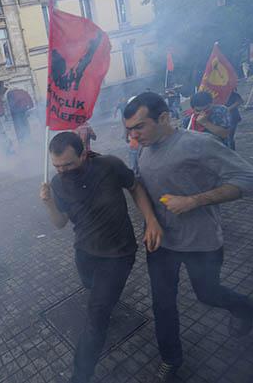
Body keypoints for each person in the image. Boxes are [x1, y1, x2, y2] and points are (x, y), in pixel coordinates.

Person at [123, 92, 253, 382]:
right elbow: (142, 186)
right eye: (129, 130)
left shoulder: (198, 144)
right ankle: (171, 359)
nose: (134, 136)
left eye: (139, 126)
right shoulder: (144, 149)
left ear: (163, 118)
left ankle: (243, 307)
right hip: (162, 244)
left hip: (201, 242)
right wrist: (151, 221)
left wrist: (193, 201)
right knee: (162, 303)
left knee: (208, 294)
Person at [39, 132, 163, 383]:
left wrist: (150, 219)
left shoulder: (109, 165)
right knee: (90, 287)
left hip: (118, 253)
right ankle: (106, 302)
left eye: (69, 164)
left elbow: (134, 186)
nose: (63, 171)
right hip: (84, 251)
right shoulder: (57, 183)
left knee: (96, 317)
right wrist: (49, 203)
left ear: (83, 154)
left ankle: (80, 375)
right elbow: (60, 223)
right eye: (58, 166)